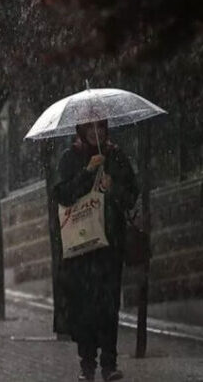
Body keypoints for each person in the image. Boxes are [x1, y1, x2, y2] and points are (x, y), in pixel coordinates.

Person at [53, 120, 139, 381]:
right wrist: (87, 173)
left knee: (109, 306)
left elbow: (131, 195)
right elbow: (62, 195)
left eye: (100, 126)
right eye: (89, 127)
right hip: (81, 247)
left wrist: (114, 188)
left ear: (106, 129)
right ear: (81, 130)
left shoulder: (115, 156)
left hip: (110, 246)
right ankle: (87, 365)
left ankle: (109, 364)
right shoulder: (71, 158)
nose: (95, 132)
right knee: (85, 308)